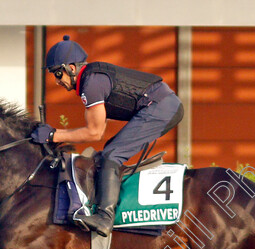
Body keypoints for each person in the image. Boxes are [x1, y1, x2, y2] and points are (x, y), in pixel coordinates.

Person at [31, 35, 184, 237]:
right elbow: (99, 127)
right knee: (109, 152)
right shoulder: (91, 80)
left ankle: (104, 217)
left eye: (58, 73)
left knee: (112, 154)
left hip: (162, 107)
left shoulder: (91, 84)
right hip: (161, 105)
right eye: (54, 75)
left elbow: (94, 132)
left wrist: (53, 135)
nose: (57, 80)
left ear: (72, 68)